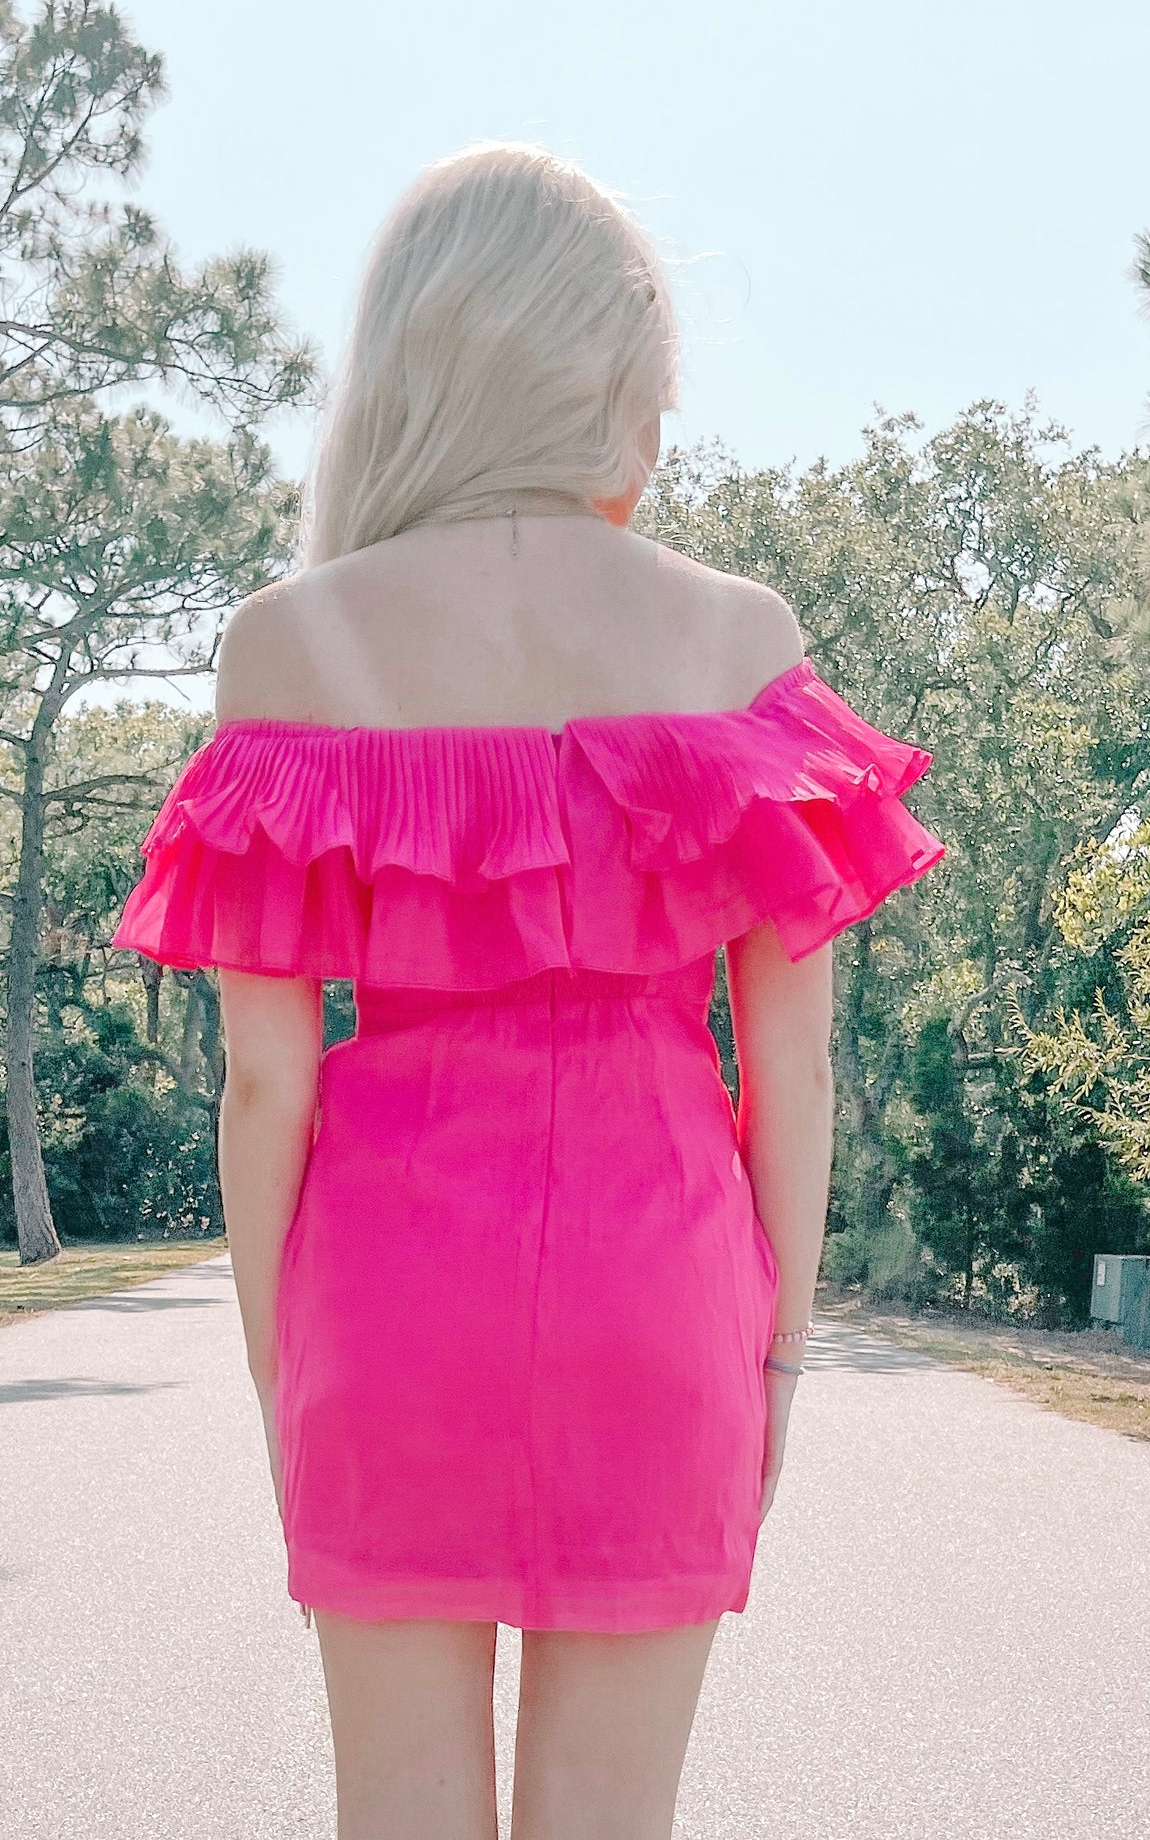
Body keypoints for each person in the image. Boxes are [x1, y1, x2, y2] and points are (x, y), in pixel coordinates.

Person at [113, 141, 946, 1840]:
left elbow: (266, 1085)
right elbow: (788, 1073)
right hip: (659, 1293)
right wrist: (780, 1363)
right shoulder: (737, 642)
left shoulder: (292, 645)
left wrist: (281, 1381)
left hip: (387, 1303)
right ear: (611, 374)